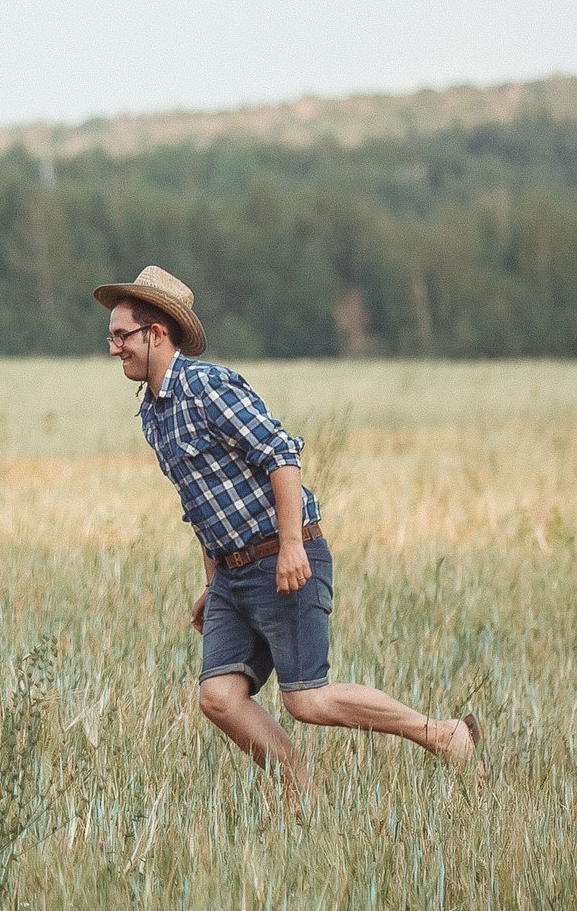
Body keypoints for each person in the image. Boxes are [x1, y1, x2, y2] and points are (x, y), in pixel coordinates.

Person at [96, 267, 477, 805]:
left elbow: (281, 454)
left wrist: (293, 545)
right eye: (111, 336)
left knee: (308, 701)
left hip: (284, 556)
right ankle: (303, 788)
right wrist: (212, 583)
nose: (112, 349)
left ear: (157, 332)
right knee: (219, 698)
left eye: (121, 336)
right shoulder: (152, 415)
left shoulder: (208, 387)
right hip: (231, 572)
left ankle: (441, 735)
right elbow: (200, 504)